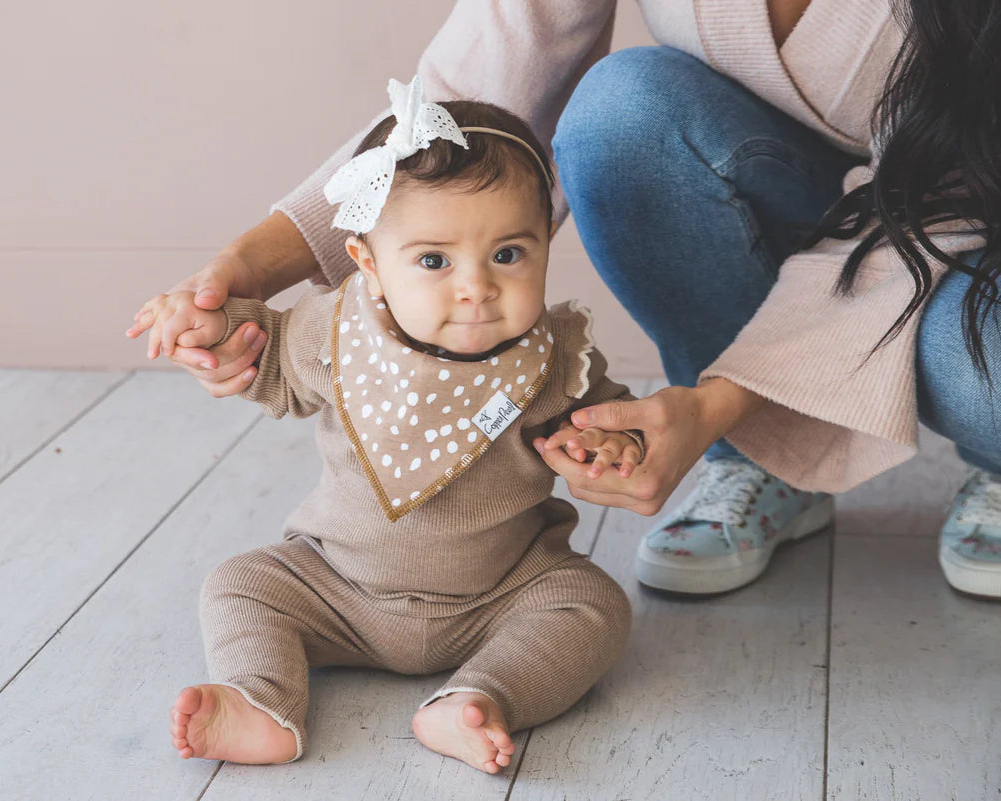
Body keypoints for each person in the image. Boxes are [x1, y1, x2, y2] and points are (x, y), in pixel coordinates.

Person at [129, 0, 1001, 599]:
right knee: (621, 113)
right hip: (787, 177)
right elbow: (458, 106)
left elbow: (946, 196)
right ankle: (756, 455)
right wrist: (244, 270)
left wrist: (725, 391)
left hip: (985, 207)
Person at [140, 82, 644, 771]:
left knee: (595, 605)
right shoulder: (335, 330)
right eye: (434, 261)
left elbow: (615, 420)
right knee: (239, 582)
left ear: (545, 248)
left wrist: (612, 445)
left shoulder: (556, 356)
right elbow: (268, 360)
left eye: (508, 254)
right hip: (338, 587)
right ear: (370, 266)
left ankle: (480, 697)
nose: (476, 286)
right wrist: (214, 327)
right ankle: (260, 698)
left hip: (500, 593)